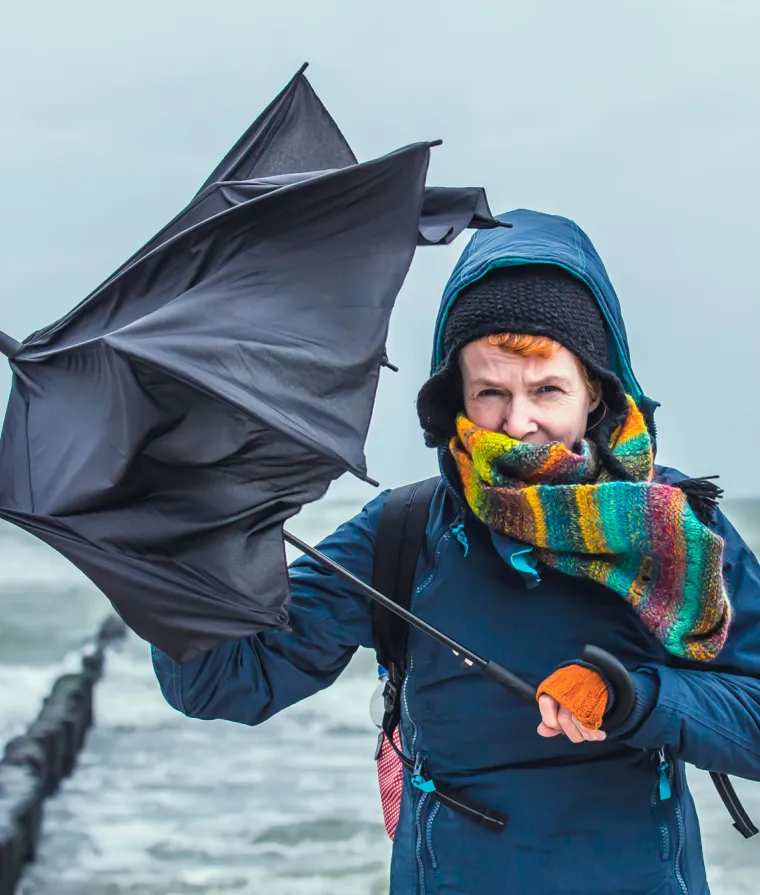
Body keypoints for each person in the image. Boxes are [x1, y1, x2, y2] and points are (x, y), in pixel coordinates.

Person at [151, 208, 760, 895]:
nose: (519, 422)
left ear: (594, 389)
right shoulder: (402, 531)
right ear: (458, 398)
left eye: (547, 389)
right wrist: (191, 534)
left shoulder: (680, 530)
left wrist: (634, 697)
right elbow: (222, 681)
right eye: (490, 392)